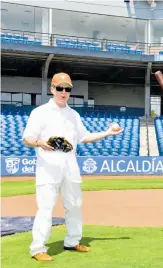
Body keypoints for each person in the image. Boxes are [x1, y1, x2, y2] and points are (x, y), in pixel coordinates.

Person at [23, 72, 123, 262]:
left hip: (70, 164)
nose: (63, 92)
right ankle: (38, 249)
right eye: (59, 88)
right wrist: (40, 142)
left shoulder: (73, 114)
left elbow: (84, 137)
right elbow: (27, 138)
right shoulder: (40, 112)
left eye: (67, 89)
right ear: (52, 89)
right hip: (48, 166)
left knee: (75, 205)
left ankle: (72, 241)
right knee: (46, 208)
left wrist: (107, 133)